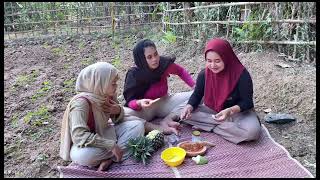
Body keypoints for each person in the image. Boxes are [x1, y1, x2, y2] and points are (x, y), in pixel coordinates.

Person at [60, 62, 144, 171]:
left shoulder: (105, 95)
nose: (116, 86)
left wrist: (117, 110)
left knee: (137, 126)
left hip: (106, 132)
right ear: (100, 83)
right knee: (83, 156)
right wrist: (111, 145)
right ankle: (116, 152)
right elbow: (79, 135)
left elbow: (117, 120)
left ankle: (110, 159)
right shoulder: (81, 103)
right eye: (113, 83)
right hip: (88, 144)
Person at [179, 38, 261, 144]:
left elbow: (247, 102)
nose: (213, 65)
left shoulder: (241, 75)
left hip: (238, 113)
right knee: (182, 111)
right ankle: (223, 127)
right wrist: (189, 106)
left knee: (252, 132)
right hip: (213, 110)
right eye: (209, 61)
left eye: (217, 61)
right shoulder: (204, 75)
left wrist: (230, 111)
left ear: (226, 58)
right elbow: (197, 94)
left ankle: (209, 126)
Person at [123, 39, 195, 135]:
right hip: (143, 111)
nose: (155, 59)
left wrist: (194, 85)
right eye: (149, 57)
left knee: (197, 96)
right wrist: (139, 102)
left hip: (164, 103)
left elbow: (180, 71)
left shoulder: (163, 64)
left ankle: (168, 120)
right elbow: (130, 100)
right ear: (141, 59)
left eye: (155, 54)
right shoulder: (134, 74)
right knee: (122, 116)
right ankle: (155, 127)